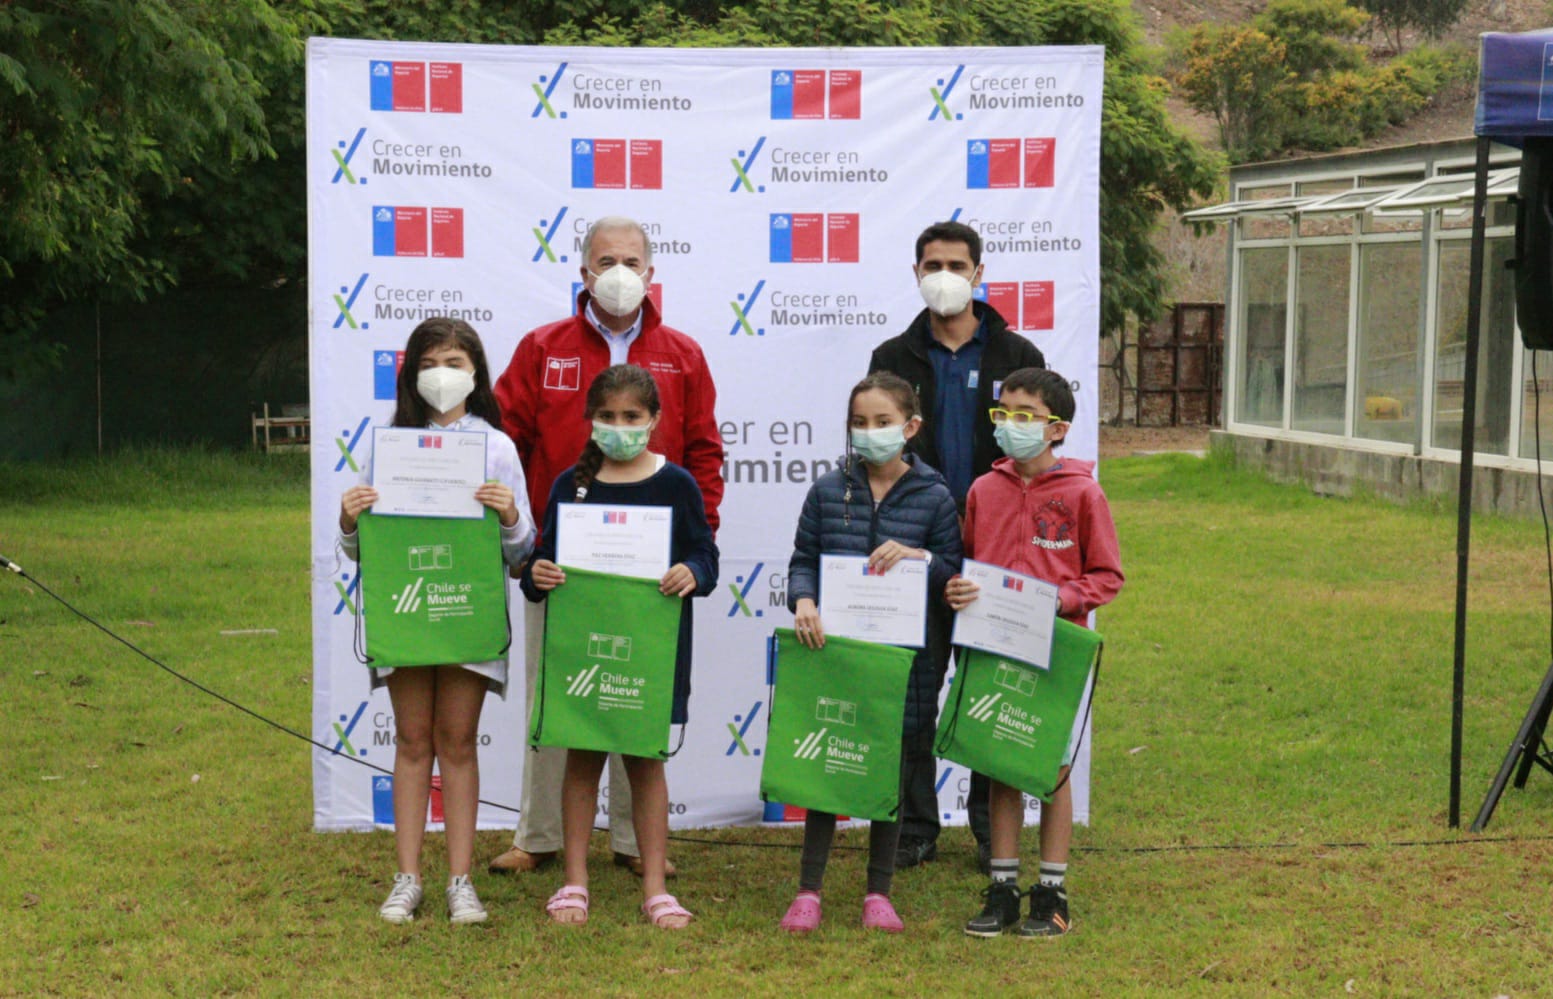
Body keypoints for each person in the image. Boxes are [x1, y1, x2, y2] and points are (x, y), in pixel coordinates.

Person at [490, 216, 724, 878]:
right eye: (603, 259)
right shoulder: (542, 347)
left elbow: (704, 450)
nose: (616, 270)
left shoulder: (682, 353)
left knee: (635, 691)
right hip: (562, 561)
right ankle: (536, 835)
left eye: (629, 259)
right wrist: (524, 539)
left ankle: (631, 839)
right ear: (583, 270)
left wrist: (693, 536)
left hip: (652, 568)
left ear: (651, 273)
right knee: (555, 696)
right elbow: (507, 444)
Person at [337, 317, 537, 925]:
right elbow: (356, 547)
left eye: (455, 363)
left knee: (456, 743)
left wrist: (507, 518)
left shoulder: (497, 448)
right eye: (431, 363)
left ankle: (459, 881)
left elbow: (522, 551)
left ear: (476, 373)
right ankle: (407, 878)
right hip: (407, 614)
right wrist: (349, 520)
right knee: (411, 741)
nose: (443, 375)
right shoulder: (385, 441)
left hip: (467, 615)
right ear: (411, 373)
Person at [869, 219, 1047, 872]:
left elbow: (1040, 454)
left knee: (987, 695)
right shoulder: (891, 356)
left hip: (996, 554)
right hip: (915, 550)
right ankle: (915, 825)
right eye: (930, 263)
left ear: (978, 273)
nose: (942, 274)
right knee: (914, 692)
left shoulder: (1016, 354)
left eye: (955, 263)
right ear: (916, 272)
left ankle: (985, 829)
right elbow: (879, 454)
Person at [522, 364, 718, 928]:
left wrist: (690, 572)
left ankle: (656, 887)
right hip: (582, 653)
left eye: (631, 416)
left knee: (646, 766)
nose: (619, 426)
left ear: (655, 420)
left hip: (649, 656)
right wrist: (540, 573)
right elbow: (539, 562)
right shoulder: (570, 485)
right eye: (606, 416)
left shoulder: (676, 483)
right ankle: (575, 882)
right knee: (580, 761)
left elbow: (706, 555)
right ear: (589, 421)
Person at [779, 372, 963, 934]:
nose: (870, 432)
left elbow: (953, 574)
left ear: (910, 427)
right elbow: (803, 558)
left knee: (891, 774)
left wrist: (920, 558)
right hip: (835, 656)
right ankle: (808, 891)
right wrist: (804, 598)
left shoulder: (935, 496)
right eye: (859, 423)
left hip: (904, 666)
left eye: (883, 423)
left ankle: (877, 892)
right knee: (824, 770)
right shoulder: (829, 490)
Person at [948, 367, 1123, 938]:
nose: (1012, 425)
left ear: (1057, 429)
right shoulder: (983, 490)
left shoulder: (1082, 492)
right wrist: (961, 588)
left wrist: (1064, 599)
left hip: (1057, 649)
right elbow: (971, 560)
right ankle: (1002, 888)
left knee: (1051, 767)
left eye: (1027, 416)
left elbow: (1107, 575)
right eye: (1004, 414)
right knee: (1001, 765)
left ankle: (1051, 892)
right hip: (993, 642)